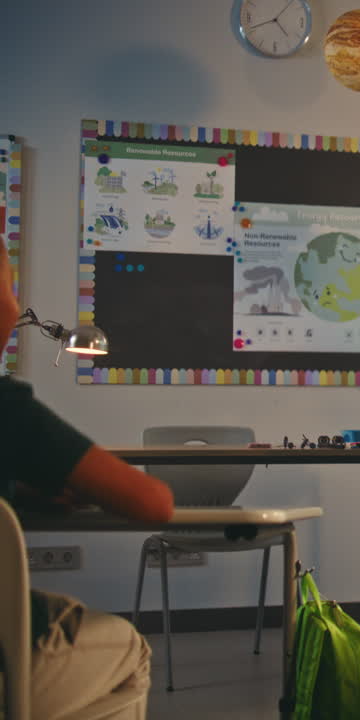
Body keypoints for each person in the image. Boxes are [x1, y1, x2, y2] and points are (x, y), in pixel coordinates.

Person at [1, 236, 175, 718]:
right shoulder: (8, 409)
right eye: (9, 284)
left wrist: (15, 491)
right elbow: (153, 503)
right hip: (8, 662)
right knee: (130, 650)